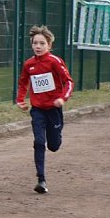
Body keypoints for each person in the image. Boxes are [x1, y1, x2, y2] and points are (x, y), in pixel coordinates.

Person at [16, 25, 74, 194]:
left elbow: (68, 81)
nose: (38, 46)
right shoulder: (29, 64)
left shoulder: (54, 61)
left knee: (54, 145)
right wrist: (20, 100)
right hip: (38, 110)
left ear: (49, 45)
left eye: (42, 43)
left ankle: (56, 136)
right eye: (35, 43)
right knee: (39, 142)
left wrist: (62, 98)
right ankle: (41, 179)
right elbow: (23, 83)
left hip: (54, 110)